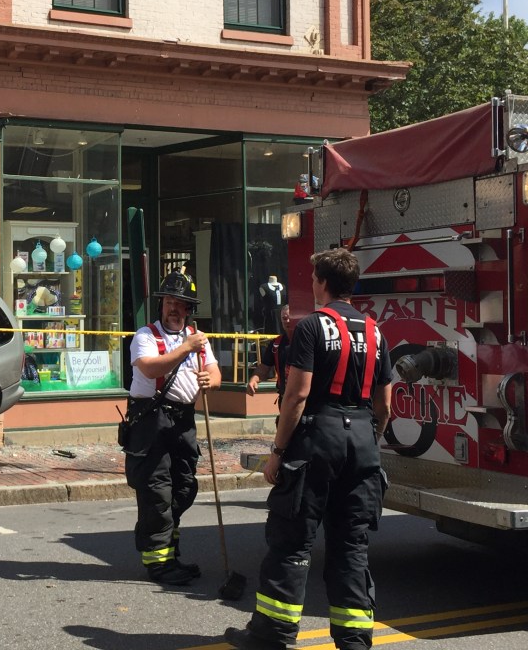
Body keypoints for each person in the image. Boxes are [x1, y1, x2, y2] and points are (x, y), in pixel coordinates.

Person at [225, 248, 392, 650]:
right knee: (351, 545)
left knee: (292, 541)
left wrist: (278, 451)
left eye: (314, 276)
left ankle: (272, 636)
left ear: (321, 282)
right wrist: (370, 439)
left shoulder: (312, 327)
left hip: (317, 440)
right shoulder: (375, 331)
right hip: (362, 442)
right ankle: (353, 641)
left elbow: (296, 396)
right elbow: (385, 405)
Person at [123, 271, 222, 585]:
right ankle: (159, 564)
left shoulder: (198, 339)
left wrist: (212, 380)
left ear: (189, 308)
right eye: (169, 302)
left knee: (184, 486)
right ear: (161, 305)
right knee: (157, 491)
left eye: (180, 303)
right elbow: (151, 367)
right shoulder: (146, 336)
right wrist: (187, 347)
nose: (174, 309)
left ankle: (170, 552)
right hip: (151, 420)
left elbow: (214, 372)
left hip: (183, 420)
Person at [246, 304, 294, 406]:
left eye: (290, 318)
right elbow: (264, 367)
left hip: (306, 400)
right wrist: (254, 380)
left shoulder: (307, 341)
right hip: (284, 398)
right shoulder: (276, 344)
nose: (287, 321)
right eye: (284, 318)